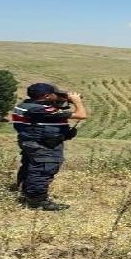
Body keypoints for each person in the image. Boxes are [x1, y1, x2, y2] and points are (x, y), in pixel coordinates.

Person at [12, 83, 88, 211]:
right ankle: (37, 201)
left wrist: (61, 99)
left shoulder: (25, 106)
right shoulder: (40, 110)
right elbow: (81, 115)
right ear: (47, 96)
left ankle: (26, 192)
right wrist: (77, 101)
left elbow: (51, 112)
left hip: (30, 143)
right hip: (43, 146)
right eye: (54, 93)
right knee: (42, 170)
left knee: (30, 167)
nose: (56, 95)